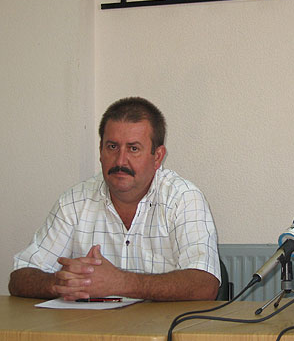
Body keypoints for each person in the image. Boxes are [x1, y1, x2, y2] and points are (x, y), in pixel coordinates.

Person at [9, 97, 220, 301]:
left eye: (133, 148)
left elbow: (205, 284)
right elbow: (19, 277)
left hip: (160, 332)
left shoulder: (182, 198)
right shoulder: (74, 201)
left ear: (157, 156)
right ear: (101, 150)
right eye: (112, 147)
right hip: (92, 333)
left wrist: (119, 283)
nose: (120, 160)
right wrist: (62, 282)